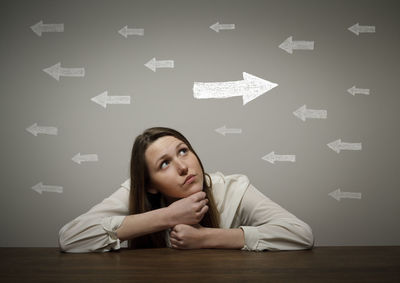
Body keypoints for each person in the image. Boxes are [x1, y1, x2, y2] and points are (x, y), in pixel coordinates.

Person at [59, 127, 314, 252]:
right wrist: (168, 216)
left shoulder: (232, 188)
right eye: (165, 163)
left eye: (183, 151)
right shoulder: (133, 192)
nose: (183, 166)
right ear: (150, 185)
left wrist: (206, 238)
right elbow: (70, 238)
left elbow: (300, 234)